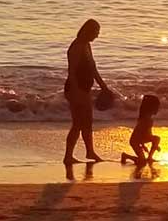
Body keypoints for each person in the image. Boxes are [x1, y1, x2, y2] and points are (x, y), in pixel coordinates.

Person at [63, 18, 110, 165]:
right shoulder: (76, 47)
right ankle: (68, 156)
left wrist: (104, 86)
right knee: (78, 124)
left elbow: (93, 69)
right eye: (96, 32)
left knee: (87, 123)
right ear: (88, 31)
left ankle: (90, 151)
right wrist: (77, 92)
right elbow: (71, 72)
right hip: (75, 89)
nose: (97, 35)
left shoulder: (87, 45)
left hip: (85, 89)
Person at [121, 94, 161, 166]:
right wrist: (143, 145)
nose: (158, 109)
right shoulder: (146, 120)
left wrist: (150, 144)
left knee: (157, 138)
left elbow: (147, 134)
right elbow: (139, 134)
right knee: (142, 161)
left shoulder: (147, 118)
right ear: (151, 108)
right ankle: (126, 156)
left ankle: (149, 157)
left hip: (141, 139)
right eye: (157, 107)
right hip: (135, 142)